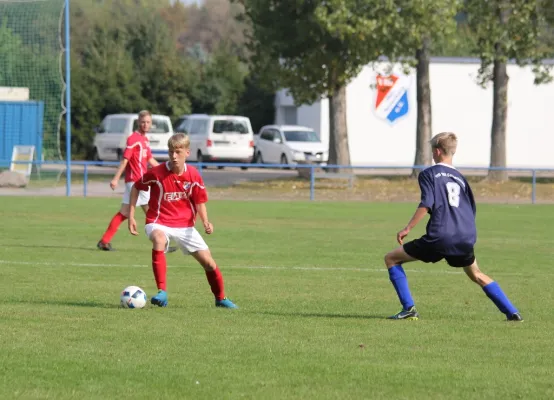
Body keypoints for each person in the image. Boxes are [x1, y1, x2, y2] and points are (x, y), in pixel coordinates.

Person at [383, 132, 522, 322]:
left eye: (433, 150)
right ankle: (512, 312)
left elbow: (426, 203)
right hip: (465, 235)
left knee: (391, 258)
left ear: (438, 151)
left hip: (441, 235)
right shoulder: (460, 178)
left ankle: (409, 309)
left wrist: (407, 228)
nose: (432, 154)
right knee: (477, 274)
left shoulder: (428, 174)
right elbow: (470, 210)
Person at [127, 132, 238, 309]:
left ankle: (221, 298)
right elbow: (136, 187)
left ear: (187, 152)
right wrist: (132, 215)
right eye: (171, 151)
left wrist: (206, 221)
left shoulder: (193, 175)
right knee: (159, 239)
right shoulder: (156, 173)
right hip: (158, 221)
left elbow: (199, 201)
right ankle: (162, 291)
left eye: (178, 152)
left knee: (209, 263)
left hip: (185, 226)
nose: (173, 156)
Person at [96, 110, 175, 253]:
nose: (146, 124)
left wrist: (168, 170)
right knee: (153, 211)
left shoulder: (144, 140)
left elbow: (150, 160)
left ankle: (104, 241)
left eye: (148, 122)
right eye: (143, 122)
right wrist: (115, 178)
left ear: (151, 123)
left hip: (137, 182)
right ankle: (161, 244)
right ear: (138, 122)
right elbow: (124, 161)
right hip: (137, 182)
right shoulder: (133, 139)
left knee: (124, 213)